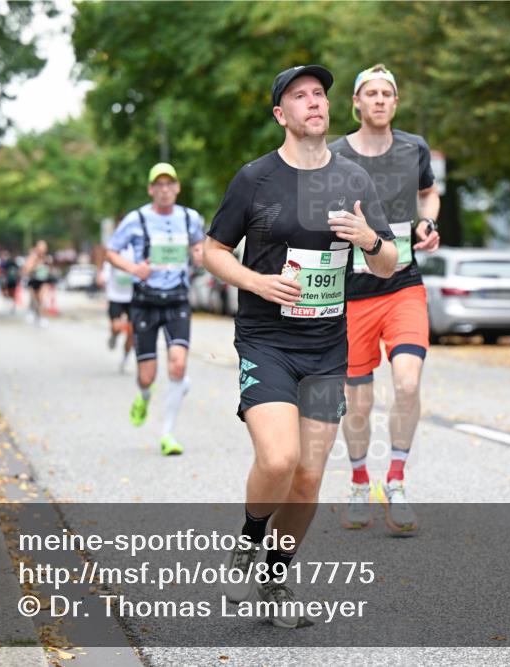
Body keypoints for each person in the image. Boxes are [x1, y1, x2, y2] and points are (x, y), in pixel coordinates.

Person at [204, 65, 396, 628]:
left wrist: (372, 241)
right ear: (280, 114)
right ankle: (248, 541)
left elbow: (387, 266)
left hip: (326, 346)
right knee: (279, 457)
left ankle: (274, 576)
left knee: (309, 475)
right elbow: (213, 250)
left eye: (320, 95)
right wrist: (255, 281)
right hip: (267, 340)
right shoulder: (255, 178)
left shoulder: (355, 180)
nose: (314, 103)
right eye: (300, 97)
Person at [328, 64, 441, 534]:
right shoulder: (333, 154)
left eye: (386, 93)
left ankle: (395, 480)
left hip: (402, 283)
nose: (379, 100)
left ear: (396, 102)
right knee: (357, 404)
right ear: (356, 102)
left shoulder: (414, 148)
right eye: (370, 93)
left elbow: (428, 193)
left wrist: (426, 224)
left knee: (409, 384)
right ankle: (359, 482)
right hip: (351, 294)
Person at [106, 163, 205, 456]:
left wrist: (201, 257)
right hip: (145, 302)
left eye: (169, 184)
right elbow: (111, 251)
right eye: (158, 185)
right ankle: (144, 395)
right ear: (151, 189)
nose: (164, 190)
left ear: (177, 187)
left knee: (178, 364)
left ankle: (168, 433)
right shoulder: (136, 219)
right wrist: (133, 268)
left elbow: (199, 247)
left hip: (177, 300)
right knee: (147, 375)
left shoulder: (190, 218)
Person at [98, 245, 136, 373]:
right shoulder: (115, 247)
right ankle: (114, 335)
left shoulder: (137, 246)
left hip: (132, 296)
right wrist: (102, 277)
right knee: (116, 327)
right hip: (115, 296)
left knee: (131, 332)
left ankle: (125, 359)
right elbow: (106, 267)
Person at [22, 240, 53, 327]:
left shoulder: (47, 258)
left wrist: (48, 267)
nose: (42, 250)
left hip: (43, 281)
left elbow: (50, 270)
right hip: (33, 281)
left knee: (42, 299)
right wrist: (36, 265)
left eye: (44, 248)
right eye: (40, 248)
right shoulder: (32, 257)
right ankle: (35, 313)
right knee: (35, 301)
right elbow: (26, 269)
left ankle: (42, 317)